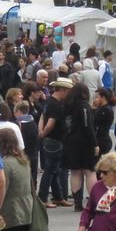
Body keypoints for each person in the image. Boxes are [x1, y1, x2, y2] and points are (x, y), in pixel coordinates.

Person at [38, 78, 73, 208]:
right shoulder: (57, 105)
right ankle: (42, 198)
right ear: (62, 91)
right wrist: (44, 132)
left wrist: (41, 131)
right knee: (50, 170)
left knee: (54, 169)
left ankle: (58, 197)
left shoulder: (48, 101)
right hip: (55, 140)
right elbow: (51, 123)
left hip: (50, 139)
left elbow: (43, 116)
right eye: (68, 91)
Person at [63, 83, 100, 209]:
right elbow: (87, 126)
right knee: (89, 171)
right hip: (84, 142)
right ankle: (94, 202)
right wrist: (95, 143)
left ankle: (77, 203)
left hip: (70, 142)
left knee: (75, 172)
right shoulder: (84, 107)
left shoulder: (67, 105)